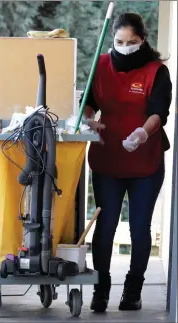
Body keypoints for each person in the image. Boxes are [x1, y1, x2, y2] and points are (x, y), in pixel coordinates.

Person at [80, 13, 172, 313]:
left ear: (142, 41)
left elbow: (160, 111)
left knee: (139, 228)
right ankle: (101, 290)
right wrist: (89, 121)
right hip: (108, 159)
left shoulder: (157, 71)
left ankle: (132, 291)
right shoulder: (101, 65)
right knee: (104, 227)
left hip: (145, 161)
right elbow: (88, 103)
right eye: (119, 42)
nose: (125, 47)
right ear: (112, 41)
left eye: (132, 42)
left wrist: (143, 133)